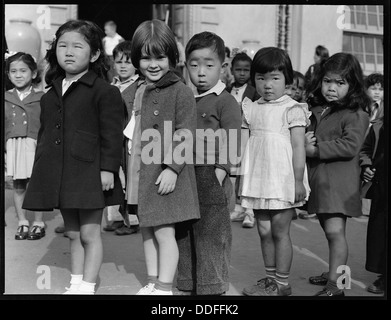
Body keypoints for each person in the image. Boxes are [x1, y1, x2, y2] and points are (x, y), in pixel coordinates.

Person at [22, 20, 125, 295]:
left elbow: (112, 134)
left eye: (77, 46)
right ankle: (76, 281)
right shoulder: (50, 93)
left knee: (91, 233)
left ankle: (88, 286)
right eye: (63, 45)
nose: (68, 51)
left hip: (91, 173)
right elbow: (46, 133)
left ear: (93, 55)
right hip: (61, 174)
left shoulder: (105, 91)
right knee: (73, 233)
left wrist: (108, 170)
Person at [127, 19, 200, 296]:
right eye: (146, 57)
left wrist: (172, 168)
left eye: (160, 56)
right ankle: (153, 280)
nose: (153, 64)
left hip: (167, 175)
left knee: (164, 232)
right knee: (147, 229)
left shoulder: (181, 91)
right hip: (144, 172)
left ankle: (165, 287)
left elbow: (185, 133)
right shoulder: (139, 90)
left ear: (172, 57)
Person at [240, 47, 311, 296]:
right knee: (263, 230)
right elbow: (244, 143)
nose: (267, 85)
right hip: (259, 178)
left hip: (283, 179)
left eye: (275, 78)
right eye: (261, 78)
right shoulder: (251, 107)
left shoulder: (293, 108)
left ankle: (282, 284)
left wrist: (299, 180)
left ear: (287, 79)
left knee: (280, 231)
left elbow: (298, 147)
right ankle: (270, 280)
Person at [176, 31, 242, 296]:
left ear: (223, 66)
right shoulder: (186, 99)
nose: (201, 72)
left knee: (212, 237)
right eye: (194, 65)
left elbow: (233, 140)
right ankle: (187, 284)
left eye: (209, 65)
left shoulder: (226, 101)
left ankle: (211, 290)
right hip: (185, 173)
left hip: (212, 176)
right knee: (184, 234)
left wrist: (219, 171)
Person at [305, 52, 370, 296]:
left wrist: (314, 149)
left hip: (339, 185)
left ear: (353, 85)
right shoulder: (320, 109)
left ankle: (338, 284)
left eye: (340, 83)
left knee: (335, 233)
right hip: (322, 182)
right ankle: (335, 271)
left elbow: (350, 146)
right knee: (329, 230)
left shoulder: (356, 114)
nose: (332, 88)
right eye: (327, 81)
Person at [5, 52, 45, 240]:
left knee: (36, 184)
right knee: (19, 184)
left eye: (23, 70)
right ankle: (22, 222)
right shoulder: (6, 97)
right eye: (13, 71)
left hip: (34, 144)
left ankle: (38, 222)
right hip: (13, 145)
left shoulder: (42, 97)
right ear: (8, 74)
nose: (18, 75)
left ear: (34, 73)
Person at [104, 40, 140, 236]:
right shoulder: (112, 85)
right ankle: (117, 217)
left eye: (128, 62)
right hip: (112, 139)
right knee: (115, 177)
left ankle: (132, 220)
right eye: (119, 62)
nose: (123, 66)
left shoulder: (139, 86)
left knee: (129, 177)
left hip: (129, 140)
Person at [226, 52, 260, 228]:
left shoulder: (254, 91)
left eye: (246, 70)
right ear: (232, 70)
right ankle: (239, 206)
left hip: (248, 136)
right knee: (238, 173)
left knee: (249, 173)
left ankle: (250, 211)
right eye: (238, 69)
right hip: (234, 136)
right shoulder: (227, 89)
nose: (242, 73)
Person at [359, 102, 386, 295]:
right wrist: (366, 166)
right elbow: (365, 149)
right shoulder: (379, 125)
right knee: (380, 231)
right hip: (382, 186)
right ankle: (383, 275)